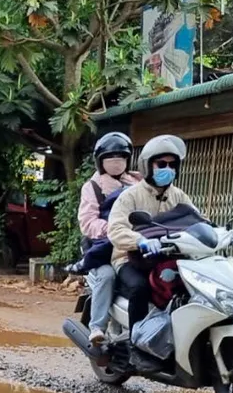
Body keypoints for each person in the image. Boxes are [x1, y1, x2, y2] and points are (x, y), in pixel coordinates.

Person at [107, 135, 198, 331]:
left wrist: (224, 233)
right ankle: (137, 343)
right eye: (162, 164)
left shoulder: (178, 195)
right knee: (140, 288)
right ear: (147, 165)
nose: (168, 169)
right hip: (130, 259)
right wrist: (140, 240)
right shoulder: (130, 196)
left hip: (170, 258)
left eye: (172, 165)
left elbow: (197, 219)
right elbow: (115, 230)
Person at [77, 132, 141, 345]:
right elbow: (87, 222)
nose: (116, 163)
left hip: (133, 244)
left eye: (121, 158)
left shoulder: (137, 182)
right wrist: (114, 229)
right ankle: (97, 327)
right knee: (106, 276)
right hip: (103, 248)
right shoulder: (93, 187)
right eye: (110, 158)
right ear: (100, 161)